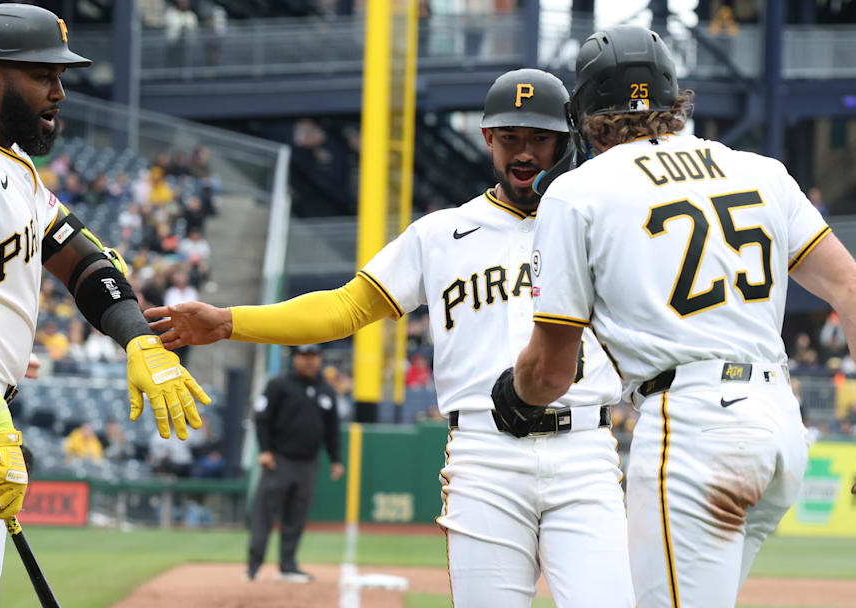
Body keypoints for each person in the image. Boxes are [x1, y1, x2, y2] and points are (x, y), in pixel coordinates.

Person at [146, 69, 634, 607]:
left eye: (540, 139)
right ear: (487, 138)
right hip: (486, 452)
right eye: (511, 137)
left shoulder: (599, 222)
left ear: (565, 142)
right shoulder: (441, 233)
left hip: (583, 448)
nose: (525, 153)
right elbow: (346, 307)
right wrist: (229, 321)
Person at [501, 25, 856, 608]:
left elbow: (550, 375)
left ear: (586, 114)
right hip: (778, 427)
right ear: (675, 97)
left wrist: (515, 392)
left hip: (696, 430)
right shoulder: (760, 171)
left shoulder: (579, 192)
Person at [0, 5, 211, 606]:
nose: (59, 91)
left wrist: (137, 336)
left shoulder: (8, 160)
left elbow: (79, 257)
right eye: (43, 75)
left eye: (60, 75)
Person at [244, 344, 343, 583]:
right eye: (304, 356)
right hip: (278, 460)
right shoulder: (279, 385)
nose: (309, 361)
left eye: (313, 356)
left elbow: (332, 429)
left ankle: (288, 565)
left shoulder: (326, 390)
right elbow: (262, 418)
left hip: (308, 463)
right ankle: (253, 566)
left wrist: (335, 459)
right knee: (264, 514)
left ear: (320, 359)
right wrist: (265, 450)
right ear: (295, 358)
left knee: (296, 517)